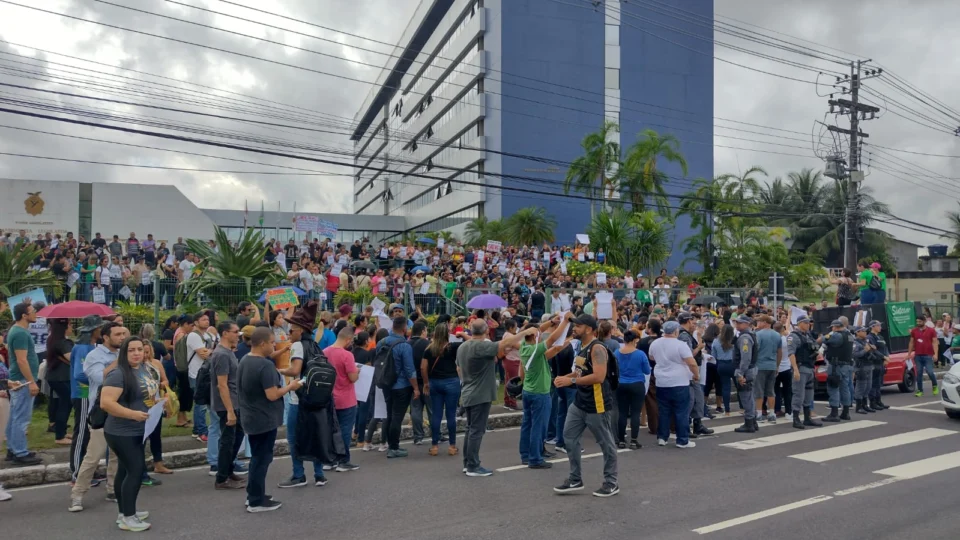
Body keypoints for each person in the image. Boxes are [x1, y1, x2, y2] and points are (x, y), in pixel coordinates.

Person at [456, 319, 534, 477]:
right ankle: (473, 466)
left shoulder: (464, 346)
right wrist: (524, 332)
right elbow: (505, 342)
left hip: (468, 391)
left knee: (470, 430)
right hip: (480, 394)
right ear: (485, 332)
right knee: (476, 431)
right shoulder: (481, 346)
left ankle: (468, 463)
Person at [553, 314, 620, 497]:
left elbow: (599, 376)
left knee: (606, 444)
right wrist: (564, 378)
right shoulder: (582, 347)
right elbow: (579, 371)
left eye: (578, 326)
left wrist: (571, 381)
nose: (574, 329)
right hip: (580, 403)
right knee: (569, 437)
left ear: (589, 329)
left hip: (597, 404)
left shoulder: (597, 348)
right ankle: (575, 479)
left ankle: (611, 482)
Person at [239, 327, 303, 513]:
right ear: (262, 343)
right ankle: (256, 501)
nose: (274, 345)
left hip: (251, 416)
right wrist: (291, 386)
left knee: (257, 458)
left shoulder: (245, 360)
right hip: (263, 419)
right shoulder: (264, 365)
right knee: (262, 459)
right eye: (272, 342)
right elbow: (272, 394)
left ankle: (254, 493)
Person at [99, 336, 158, 532]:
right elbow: (106, 403)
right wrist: (133, 414)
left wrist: (159, 404)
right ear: (124, 352)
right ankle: (129, 517)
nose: (136, 353)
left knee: (124, 471)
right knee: (135, 471)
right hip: (121, 432)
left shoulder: (142, 369)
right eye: (131, 350)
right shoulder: (118, 374)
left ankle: (124, 511)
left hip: (138, 430)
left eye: (139, 349)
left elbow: (145, 394)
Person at [69, 322, 124, 512]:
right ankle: (77, 494)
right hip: (102, 411)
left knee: (117, 455)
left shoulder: (126, 354)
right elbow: (101, 378)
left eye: (124, 334)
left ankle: (112, 489)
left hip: (123, 411)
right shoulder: (94, 355)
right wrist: (119, 361)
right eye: (118, 334)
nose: (122, 338)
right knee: (93, 456)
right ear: (106, 337)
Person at [277, 300, 328, 487]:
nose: (289, 333)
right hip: (315, 398)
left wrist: (280, 370)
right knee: (315, 435)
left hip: (299, 399)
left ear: (300, 330)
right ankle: (319, 474)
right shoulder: (314, 345)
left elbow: (295, 368)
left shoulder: (298, 346)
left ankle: (298, 474)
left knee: (293, 438)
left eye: (291, 330)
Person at [517, 315, 568, 469]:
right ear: (534, 336)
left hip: (528, 391)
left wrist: (553, 323)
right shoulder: (535, 348)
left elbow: (552, 349)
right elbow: (552, 339)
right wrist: (565, 322)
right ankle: (535, 458)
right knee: (539, 426)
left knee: (527, 424)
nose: (540, 334)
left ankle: (526, 455)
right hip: (540, 393)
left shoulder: (525, 347)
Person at [211, 321, 247, 490]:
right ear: (225, 333)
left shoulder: (229, 352)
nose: (238, 335)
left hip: (235, 402)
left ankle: (228, 470)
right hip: (227, 405)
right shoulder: (222, 355)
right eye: (235, 332)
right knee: (227, 441)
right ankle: (221, 478)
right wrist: (230, 411)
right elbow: (222, 384)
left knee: (236, 438)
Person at [5, 302, 43, 465]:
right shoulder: (20, 333)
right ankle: (20, 452)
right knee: (21, 417)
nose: (36, 313)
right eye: (33, 311)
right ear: (24, 315)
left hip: (19, 379)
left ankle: (14, 449)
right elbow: (22, 360)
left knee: (15, 416)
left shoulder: (17, 330)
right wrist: (31, 382)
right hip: (22, 381)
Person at [379, 316, 418, 459]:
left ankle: (389, 444)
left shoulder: (381, 342)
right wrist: (416, 387)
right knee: (397, 416)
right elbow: (410, 370)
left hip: (386, 383)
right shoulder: (404, 346)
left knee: (389, 414)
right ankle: (393, 447)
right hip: (401, 385)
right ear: (404, 328)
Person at [323, 326, 360, 472]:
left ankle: (330, 460)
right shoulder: (347, 355)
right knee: (345, 430)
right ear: (348, 340)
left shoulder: (324, 352)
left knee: (330, 429)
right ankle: (343, 460)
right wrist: (357, 371)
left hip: (329, 397)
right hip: (346, 398)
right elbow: (352, 378)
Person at [422, 323, 463, 457]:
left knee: (436, 415)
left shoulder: (429, 349)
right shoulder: (453, 347)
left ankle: (434, 446)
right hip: (452, 382)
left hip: (435, 383)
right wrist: (461, 334)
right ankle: (452, 446)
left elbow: (423, 367)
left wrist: (426, 382)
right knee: (451, 415)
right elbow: (471, 341)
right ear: (447, 334)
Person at [677, 312, 712, 437]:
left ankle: (697, 424)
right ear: (687, 321)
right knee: (691, 400)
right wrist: (699, 347)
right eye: (693, 322)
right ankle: (687, 426)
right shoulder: (684, 336)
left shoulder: (686, 334)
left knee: (697, 398)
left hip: (691, 370)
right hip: (689, 371)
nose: (694, 325)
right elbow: (687, 355)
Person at [614, 330, 651, 449]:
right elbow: (647, 370)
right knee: (635, 413)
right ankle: (634, 440)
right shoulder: (640, 354)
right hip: (637, 384)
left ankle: (621, 440)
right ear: (635, 339)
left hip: (621, 384)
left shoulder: (616, 353)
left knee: (622, 412)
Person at [787, 316, 823, 430]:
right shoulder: (794, 336)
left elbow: (814, 347)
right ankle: (796, 419)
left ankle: (807, 418)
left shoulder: (808, 335)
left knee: (809, 395)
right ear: (800, 323)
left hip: (809, 368)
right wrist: (795, 369)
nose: (808, 325)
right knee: (798, 394)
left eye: (809, 323)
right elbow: (791, 354)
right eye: (806, 323)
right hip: (801, 368)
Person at [45, 318, 75, 446]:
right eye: (70, 324)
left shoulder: (53, 340)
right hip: (62, 377)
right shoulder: (63, 343)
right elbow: (72, 358)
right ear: (65, 326)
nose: (72, 327)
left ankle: (61, 431)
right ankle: (59, 436)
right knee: (65, 404)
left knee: (63, 404)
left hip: (56, 377)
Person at [822, 319, 854, 422]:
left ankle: (834, 413)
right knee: (845, 388)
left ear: (835, 327)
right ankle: (845, 412)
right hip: (847, 365)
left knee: (833, 387)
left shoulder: (837, 335)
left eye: (832, 327)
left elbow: (823, 339)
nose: (832, 329)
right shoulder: (849, 335)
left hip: (836, 366)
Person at [733, 315, 760, 433]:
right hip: (751, 368)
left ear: (747, 324)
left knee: (746, 397)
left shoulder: (745, 338)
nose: (737, 325)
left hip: (746, 370)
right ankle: (753, 422)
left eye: (740, 323)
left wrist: (740, 373)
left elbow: (745, 358)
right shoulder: (750, 335)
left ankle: (749, 423)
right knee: (750, 396)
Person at [753, 315, 782, 424]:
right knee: (771, 391)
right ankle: (772, 413)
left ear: (765, 322)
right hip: (772, 365)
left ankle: (759, 414)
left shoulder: (758, 334)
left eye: (759, 321)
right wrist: (777, 365)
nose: (757, 323)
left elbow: (756, 350)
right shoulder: (777, 335)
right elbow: (780, 352)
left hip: (760, 365)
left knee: (759, 391)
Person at [407, 321, 431, 445]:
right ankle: (436, 433)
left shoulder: (407, 344)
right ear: (423, 331)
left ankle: (418, 436)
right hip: (426, 380)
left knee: (416, 409)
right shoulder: (427, 344)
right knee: (432, 409)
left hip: (413, 381)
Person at [907, 316, 939, 397]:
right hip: (918, 355)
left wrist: (935, 354)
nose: (918, 323)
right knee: (919, 373)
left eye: (920, 322)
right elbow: (911, 342)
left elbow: (935, 342)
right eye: (917, 321)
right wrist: (909, 354)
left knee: (930, 372)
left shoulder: (931, 330)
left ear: (924, 321)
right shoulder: (914, 331)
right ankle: (920, 390)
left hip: (928, 355)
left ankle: (935, 385)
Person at [711, 324, 736, 416]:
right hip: (733, 364)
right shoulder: (735, 340)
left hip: (721, 364)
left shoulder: (716, 341)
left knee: (725, 388)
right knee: (740, 387)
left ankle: (727, 410)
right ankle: (742, 407)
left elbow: (714, 356)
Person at [867, 320, 891, 410]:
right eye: (878, 325)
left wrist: (887, 356)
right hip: (875, 362)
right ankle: (873, 402)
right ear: (873, 327)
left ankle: (879, 401)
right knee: (874, 383)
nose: (880, 327)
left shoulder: (880, 336)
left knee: (879, 383)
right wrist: (884, 357)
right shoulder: (870, 337)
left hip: (881, 363)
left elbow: (885, 348)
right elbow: (873, 350)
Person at [852, 326, 876, 415]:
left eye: (865, 331)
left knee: (868, 386)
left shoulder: (865, 341)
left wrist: (872, 349)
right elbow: (855, 354)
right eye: (863, 331)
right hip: (861, 367)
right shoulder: (855, 343)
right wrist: (865, 350)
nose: (865, 332)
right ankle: (859, 407)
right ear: (857, 332)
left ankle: (865, 405)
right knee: (861, 387)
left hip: (869, 365)